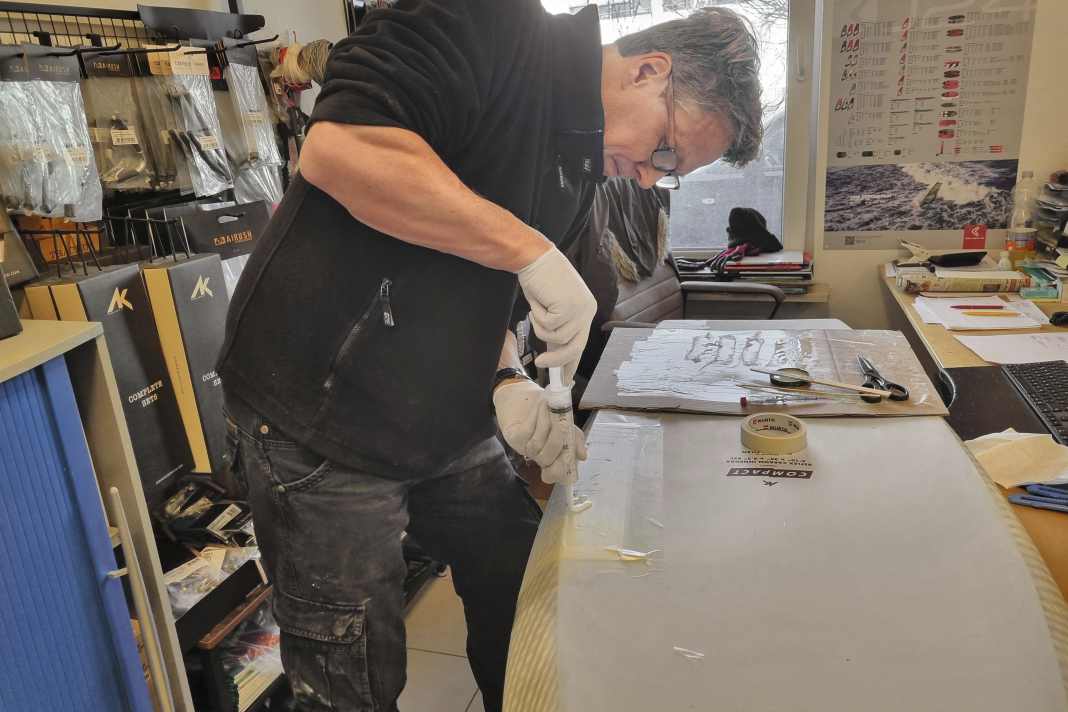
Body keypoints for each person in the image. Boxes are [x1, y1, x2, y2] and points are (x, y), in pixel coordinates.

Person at [217, 1, 762, 709]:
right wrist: (528, 250)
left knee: (521, 584)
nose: (651, 181)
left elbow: (485, 296)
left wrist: (508, 380)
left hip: (441, 413)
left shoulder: (580, 163)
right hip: (321, 409)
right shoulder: (485, 23)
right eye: (666, 153)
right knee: (351, 661)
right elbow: (343, 150)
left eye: (672, 173)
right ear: (647, 71)